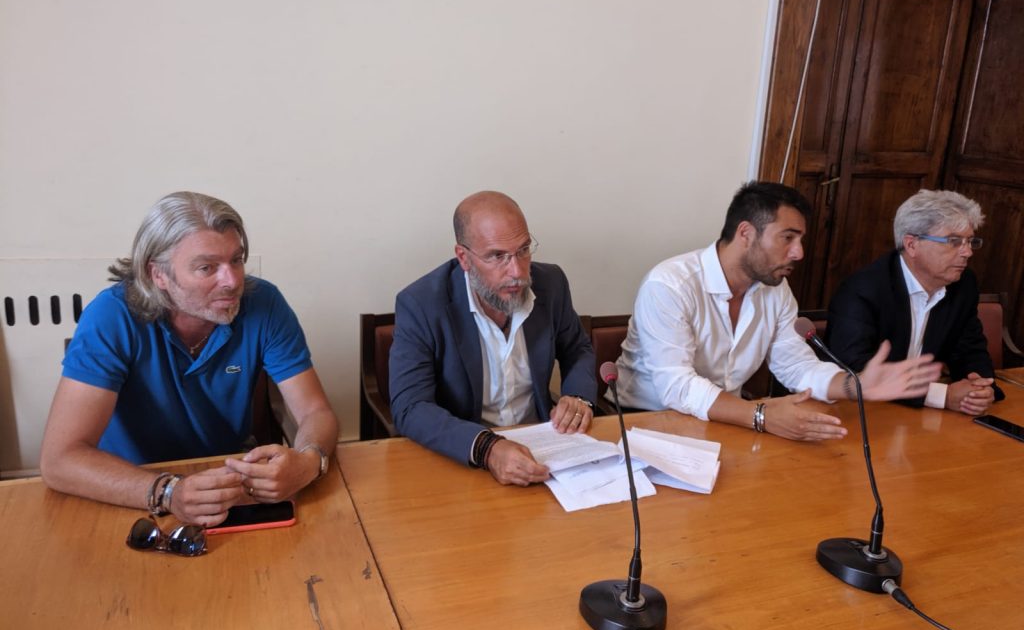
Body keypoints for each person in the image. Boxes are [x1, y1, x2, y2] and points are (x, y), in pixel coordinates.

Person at [40, 191, 339, 526]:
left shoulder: (264, 302)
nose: (232, 281)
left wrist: (309, 461)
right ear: (159, 275)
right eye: (206, 267)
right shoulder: (111, 316)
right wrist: (168, 491)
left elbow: (316, 412)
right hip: (129, 491)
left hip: (229, 485)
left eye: (236, 260)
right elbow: (59, 460)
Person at [614, 181, 940, 441]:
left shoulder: (775, 289)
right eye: (787, 238)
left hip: (728, 418)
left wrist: (854, 385)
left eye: (800, 240)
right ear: (746, 233)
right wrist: (762, 415)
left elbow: (795, 366)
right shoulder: (670, 284)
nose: (798, 253)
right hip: (643, 420)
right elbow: (677, 387)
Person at [389, 190, 598, 486]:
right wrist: (487, 448)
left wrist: (578, 396)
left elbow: (577, 348)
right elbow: (411, 407)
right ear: (464, 257)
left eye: (523, 250)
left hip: (543, 447)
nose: (517, 272)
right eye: (497, 256)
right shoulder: (421, 304)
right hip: (464, 456)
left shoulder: (551, 284)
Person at [826, 189, 1002, 416]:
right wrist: (941, 395)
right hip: (864, 411)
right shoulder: (862, 289)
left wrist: (979, 387)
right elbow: (855, 367)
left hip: (921, 415)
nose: (967, 252)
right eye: (954, 241)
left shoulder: (963, 284)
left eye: (970, 241)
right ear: (911, 245)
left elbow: (970, 348)